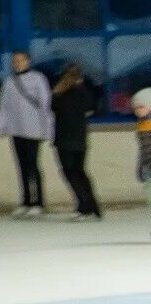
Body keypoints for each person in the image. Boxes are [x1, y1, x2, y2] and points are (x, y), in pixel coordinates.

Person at [0, 51, 54, 217]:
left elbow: (45, 104)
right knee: (21, 166)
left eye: (21, 60)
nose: (18, 63)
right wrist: (1, 127)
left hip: (33, 130)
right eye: (15, 61)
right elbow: (3, 106)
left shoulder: (38, 78)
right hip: (16, 129)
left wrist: (47, 129)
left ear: (28, 61)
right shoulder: (9, 82)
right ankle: (26, 201)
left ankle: (39, 202)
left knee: (33, 165)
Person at [49, 63, 102, 221]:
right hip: (80, 138)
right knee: (80, 172)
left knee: (71, 173)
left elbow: (52, 108)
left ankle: (85, 206)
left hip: (65, 139)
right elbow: (91, 107)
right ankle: (93, 206)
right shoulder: (83, 92)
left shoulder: (59, 93)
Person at [134, 87, 151, 234]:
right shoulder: (141, 126)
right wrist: (140, 167)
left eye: (142, 107)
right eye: (136, 108)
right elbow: (142, 149)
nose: (138, 110)